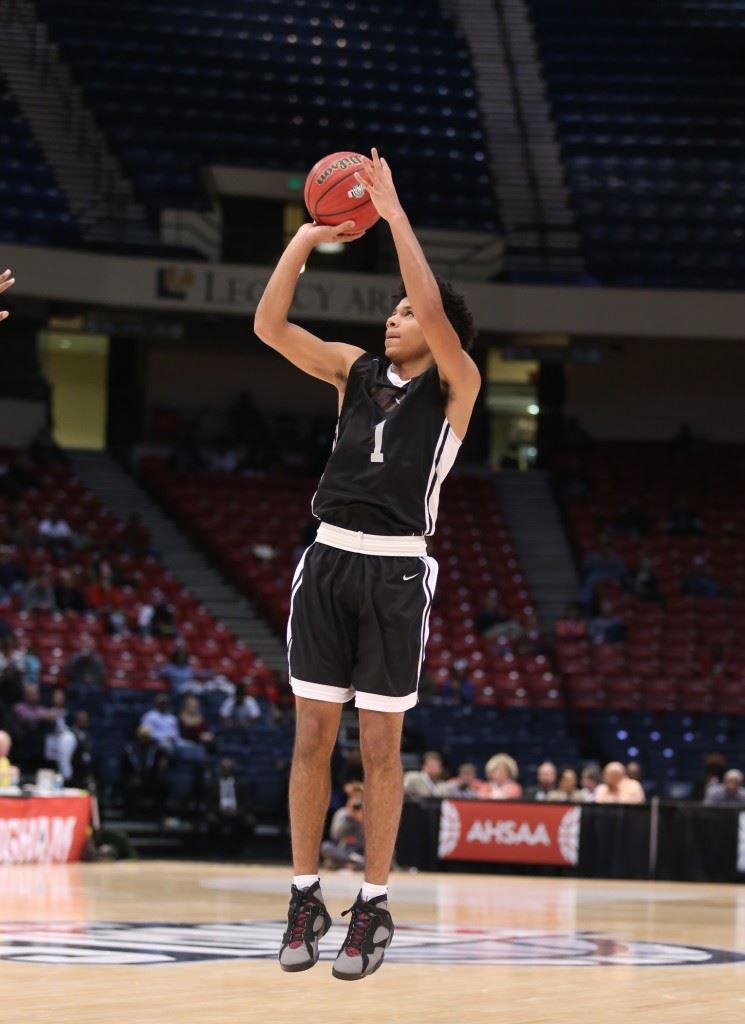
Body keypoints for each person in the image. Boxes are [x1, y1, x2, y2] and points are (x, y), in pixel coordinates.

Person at [255, 147, 481, 980]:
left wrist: (393, 217)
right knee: (311, 737)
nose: (394, 317)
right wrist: (304, 241)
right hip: (327, 560)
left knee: (379, 750)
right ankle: (304, 895)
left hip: (394, 570)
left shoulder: (457, 381)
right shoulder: (352, 372)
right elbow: (269, 328)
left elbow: (431, 304)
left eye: (406, 313)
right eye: (388, 310)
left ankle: (373, 907)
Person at [204, 758, 254, 855]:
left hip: (237, 814)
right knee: (210, 820)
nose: (226, 770)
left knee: (249, 822)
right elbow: (209, 803)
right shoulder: (214, 784)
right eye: (224, 768)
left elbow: (247, 802)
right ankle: (214, 850)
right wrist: (220, 811)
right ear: (221, 769)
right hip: (218, 813)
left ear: (233, 769)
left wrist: (237, 812)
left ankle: (241, 850)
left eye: (229, 768)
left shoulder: (241, 784)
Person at [321, 782, 366, 870]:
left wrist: (361, 821)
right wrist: (348, 817)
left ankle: (344, 864)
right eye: (354, 798)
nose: (357, 802)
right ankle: (353, 863)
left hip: (361, 852)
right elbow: (335, 835)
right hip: (344, 851)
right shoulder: (342, 813)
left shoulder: (368, 816)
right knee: (326, 846)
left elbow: (368, 841)